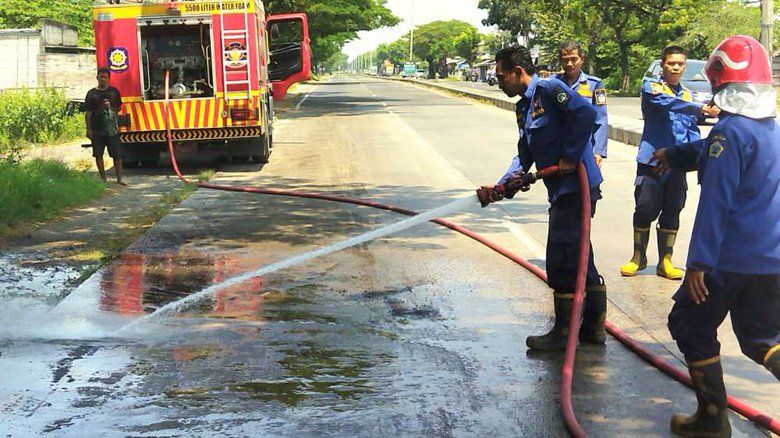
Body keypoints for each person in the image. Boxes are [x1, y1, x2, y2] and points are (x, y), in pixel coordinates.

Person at [653, 35, 780, 437]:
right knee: (762, 339)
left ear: (722, 85)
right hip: (771, 258)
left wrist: (699, 265)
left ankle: (711, 419)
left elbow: (716, 203)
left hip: (728, 259)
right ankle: (711, 416)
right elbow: (708, 149)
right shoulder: (768, 130)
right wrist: (674, 156)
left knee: (689, 324)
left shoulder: (729, 133)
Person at [476, 45, 606, 350]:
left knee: (562, 258)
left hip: (578, 187)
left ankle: (563, 335)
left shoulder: (550, 89)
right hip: (561, 188)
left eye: (501, 75)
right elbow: (525, 154)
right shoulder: (524, 106)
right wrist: (501, 186)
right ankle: (593, 328)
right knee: (580, 254)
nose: (499, 82)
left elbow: (586, 113)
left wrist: (571, 156)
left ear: (518, 72)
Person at [620, 46, 719, 279]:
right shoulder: (651, 87)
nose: (676, 67)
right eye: (671, 63)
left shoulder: (686, 93)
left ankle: (666, 261)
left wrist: (689, 159)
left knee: (673, 209)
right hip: (652, 160)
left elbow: (690, 129)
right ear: (662, 65)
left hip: (675, 163)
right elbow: (668, 103)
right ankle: (638, 257)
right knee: (645, 207)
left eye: (680, 64)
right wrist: (701, 108)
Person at [552, 40, 608, 168]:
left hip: (585, 150)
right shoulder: (552, 84)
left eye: (574, 59)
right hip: (558, 150)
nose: (569, 64)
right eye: (565, 60)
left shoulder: (595, 84)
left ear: (582, 59)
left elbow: (601, 119)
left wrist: (598, 151)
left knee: (589, 186)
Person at [85, 67, 125, 185]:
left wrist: (110, 108)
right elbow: (88, 113)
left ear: (109, 79)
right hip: (97, 130)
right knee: (98, 155)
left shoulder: (114, 92)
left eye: (105, 77)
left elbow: (118, 108)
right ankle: (103, 179)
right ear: (97, 78)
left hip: (112, 130)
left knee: (117, 155)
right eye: (101, 77)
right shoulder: (92, 94)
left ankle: (120, 179)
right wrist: (89, 129)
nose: (103, 79)